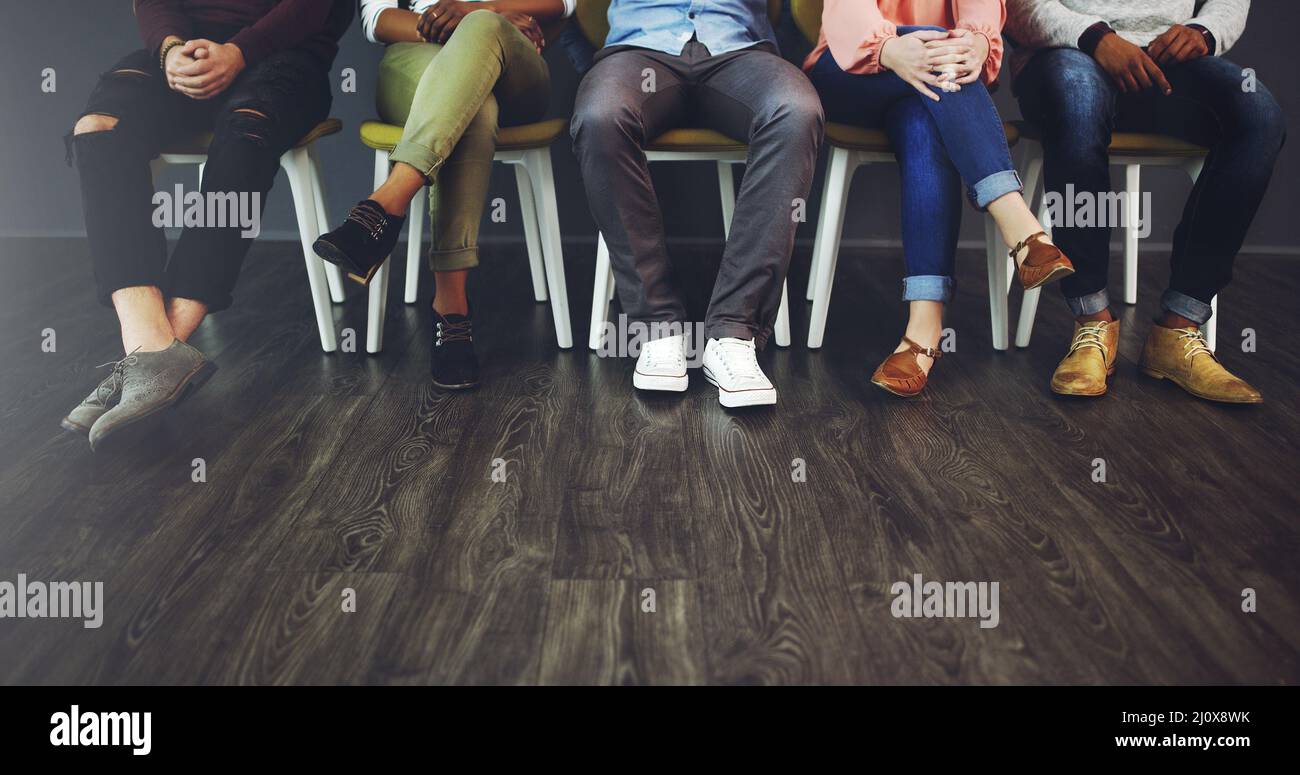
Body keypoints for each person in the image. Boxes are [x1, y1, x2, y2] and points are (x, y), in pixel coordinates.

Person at [64, 0, 353, 450]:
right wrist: (170, 50)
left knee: (244, 137)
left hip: (285, 60)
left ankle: (151, 361)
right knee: (99, 127)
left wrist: (239, 51)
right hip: (184, 59)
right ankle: (149, 348)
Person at [1007, 0, 1283, 402]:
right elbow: (1017, 6)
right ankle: (1092, 323)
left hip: (1165, 60)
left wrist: (1203, 33)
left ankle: (1178, 327)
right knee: (1078, 97)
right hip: (1063, 52)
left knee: (1260, 114)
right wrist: (1095, 37)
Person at [805, 0, 1076, 397]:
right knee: (934, 48)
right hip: (851, 70)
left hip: (937, 82)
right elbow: (849, 14)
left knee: (923, 123)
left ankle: (923, 326)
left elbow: (981, 17)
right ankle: (1020, 227)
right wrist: (892, 49)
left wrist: (977, 45)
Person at [570, 0, 825, 408]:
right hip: (640, 51)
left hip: (739, 53)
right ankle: (657, 328)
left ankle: (734, 333)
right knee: (601, 116)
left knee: (795, 110)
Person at [314, 0, 573, 391]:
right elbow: (378, 18)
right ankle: (451, 311)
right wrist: (453, 27)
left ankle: (385, 206)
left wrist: (479, 12)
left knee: (483, 25)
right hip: (416, 52)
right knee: (476, 108)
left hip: (515, 58)